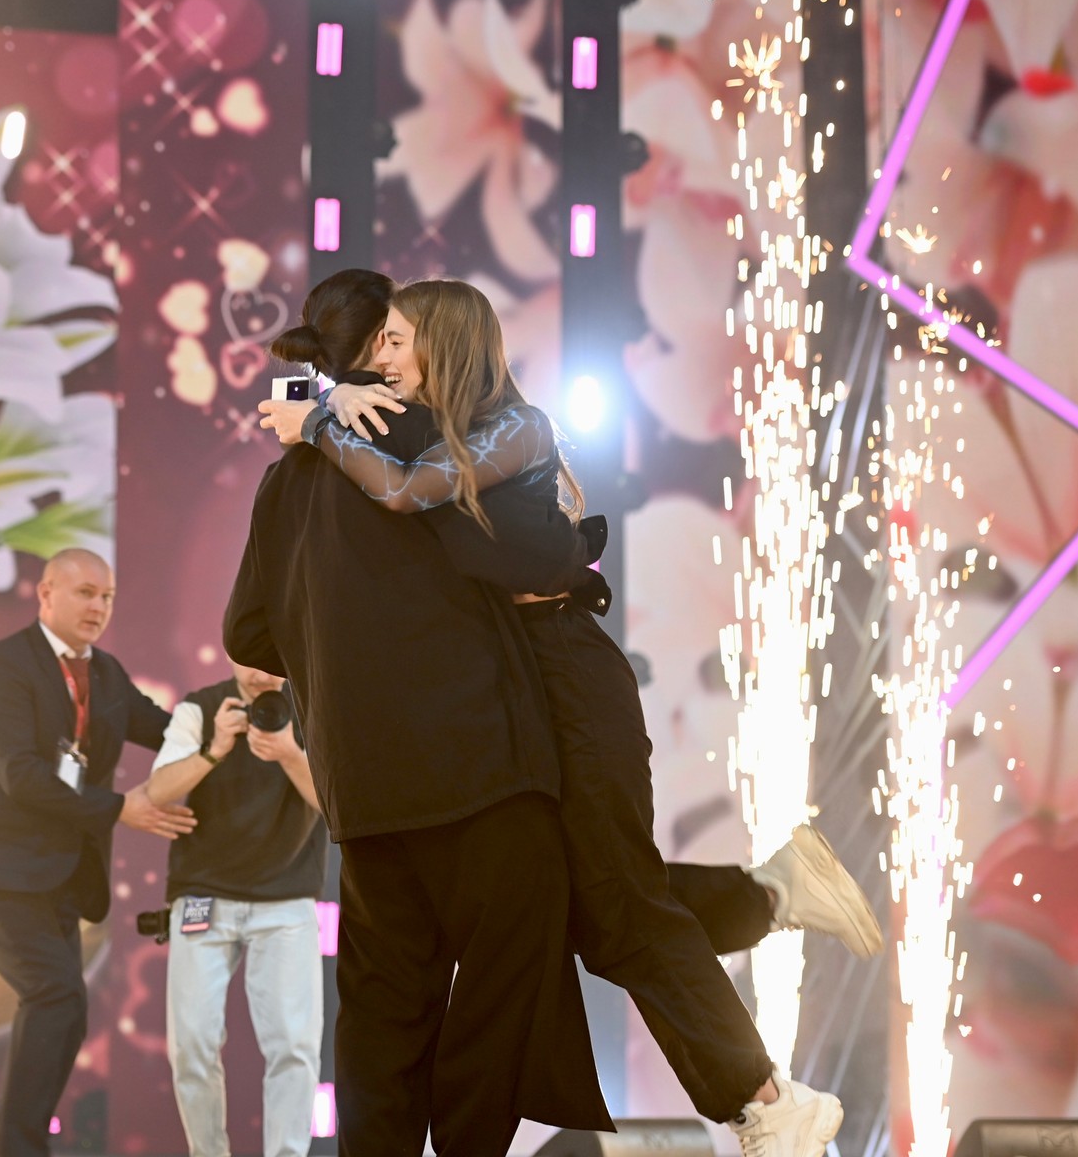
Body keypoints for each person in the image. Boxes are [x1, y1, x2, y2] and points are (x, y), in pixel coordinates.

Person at [262, 277, 876, 1157]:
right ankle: (769, 896)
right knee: (576, 898)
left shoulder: (512, 428)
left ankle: (769, 1100)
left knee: (614, 902)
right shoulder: (413, 430)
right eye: (375, 345)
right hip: (511, 687)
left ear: (446, 342)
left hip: (565, 671)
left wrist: (322, 417)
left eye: (396, 340)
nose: (380, 358)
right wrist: (331, 401)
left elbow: (409, 492)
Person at [224, 276, 613, 1154]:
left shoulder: (285, 480)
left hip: (362, 786)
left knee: (381, 1010)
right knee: (510, 974)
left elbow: (246, 633)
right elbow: (534, 554)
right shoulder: (436, 439)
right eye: (394, 338)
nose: (401, 353)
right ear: (377, 347)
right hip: (481, 763)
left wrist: (334, 653)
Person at [0, 549, 196, 1157]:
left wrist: (228, 734)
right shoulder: (4, 667)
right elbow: (22, 776)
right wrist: (120, 808)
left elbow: (167, 731)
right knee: (55, 997)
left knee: (64, 1009)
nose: (98, 607)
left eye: (107, 597)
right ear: (45, 594)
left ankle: (15, 1147)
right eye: (85, 593)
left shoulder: (106, 674)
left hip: (53, 871)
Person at [142, 661, 327, 1157]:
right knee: (191, 1045)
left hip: (287, 898)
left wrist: (289, 753)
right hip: (203, 896)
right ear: (231, 652)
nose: (262, 673)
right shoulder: (202, 709)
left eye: (273, 661)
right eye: (252, 658)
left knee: (295, 1047)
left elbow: (338, 805)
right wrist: (214, 750)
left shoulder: (315, 708)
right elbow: (157, 791)